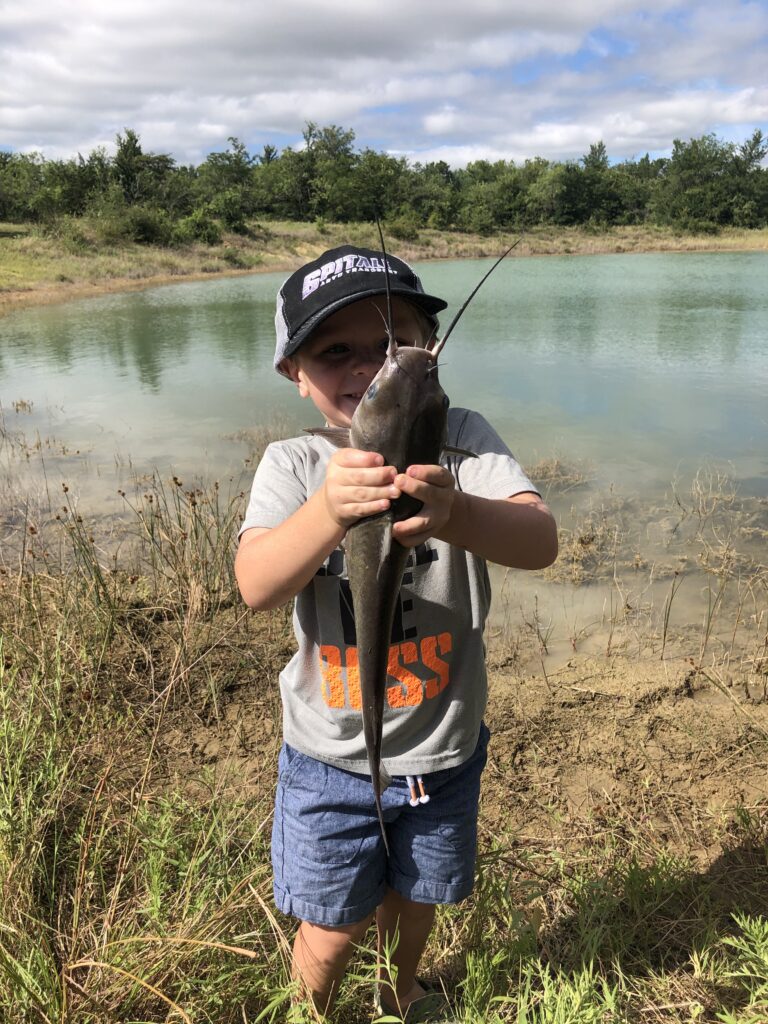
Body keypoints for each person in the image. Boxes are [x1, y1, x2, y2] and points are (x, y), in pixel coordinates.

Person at [235, 245, 557, 1021]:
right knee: (335, 920)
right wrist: (327, 511)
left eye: (395, 342)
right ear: (293, 371)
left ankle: (398, 990)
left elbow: (539, 542)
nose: (371, 366)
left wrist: (459, 512)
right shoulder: (295, 464)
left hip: (443, 750)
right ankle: (307, 1009)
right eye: (336, 350)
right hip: (331, 759)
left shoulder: (465, 441)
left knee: (418, 899)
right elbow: (255, 584)